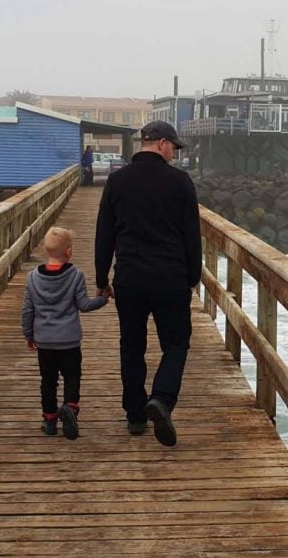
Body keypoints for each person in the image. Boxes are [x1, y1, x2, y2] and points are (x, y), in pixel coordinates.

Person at [95, 120, 201, 447]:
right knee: (176, 343)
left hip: (130, 278)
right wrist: (192, 278)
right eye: (173, 147)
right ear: (161, 143)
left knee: (132, 345)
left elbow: (104, 234)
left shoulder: (117, 181)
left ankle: (135, 415)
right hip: (170, 278)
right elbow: (191, 237)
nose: (174, 153)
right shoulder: (180, 182)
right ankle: (162, 399)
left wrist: (102, 279)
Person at [22, 227, 109, 439]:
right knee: (72, 376)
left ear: (44, 249)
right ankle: (70, 407)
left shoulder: (32, 278)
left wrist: (28, 334)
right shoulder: (75, 275)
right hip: (69, 340)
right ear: (69, 251)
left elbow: (28, 309)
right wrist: (104, 298)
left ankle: (50, 419)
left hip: (44, 340)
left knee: (48, 380)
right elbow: (84, 305)